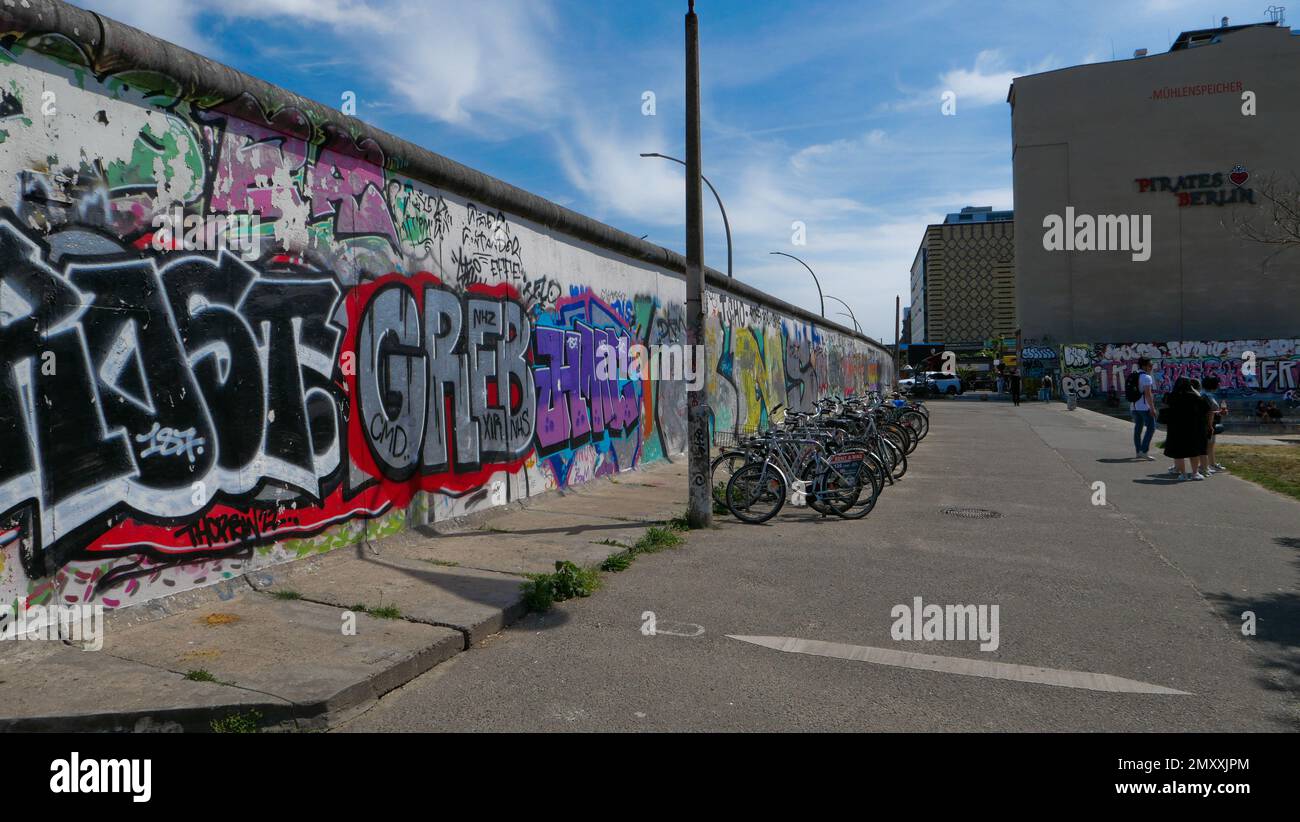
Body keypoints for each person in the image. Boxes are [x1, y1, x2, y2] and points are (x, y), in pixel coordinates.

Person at [1162, 377, 1213, 481]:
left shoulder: (1171, 396)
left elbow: (1165, 410)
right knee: (1194, 451)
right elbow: (1207, 409)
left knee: (1179, 452)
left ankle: (1183, 474)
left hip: (1176, 428)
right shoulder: (1196, 397)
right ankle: (1195, 473)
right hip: (1193, 428)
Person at [1130, 357, 1157, 460]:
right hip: (1144, 407)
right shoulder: (1146, 377)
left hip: (1134, 406)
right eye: (1150, 365)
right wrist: (1152, 408)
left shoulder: (1134, 375)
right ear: (1144, 366)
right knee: (1151, 428)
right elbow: (1148, 394)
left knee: (1138, 429)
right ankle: (1144, 451)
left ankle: (1138, 452)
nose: (1151, 368)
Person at [1202, 376, 1226, 474]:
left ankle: (1212, 464)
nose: (1219, 385)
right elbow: (1209, 411)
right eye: (1218, 383)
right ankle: (1205, 466)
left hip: (1211, 423)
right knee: (1208, 445)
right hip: (1208, 424)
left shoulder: (1207, 394)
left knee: (1211, 445)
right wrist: (1219, 412)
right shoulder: (1206, 396)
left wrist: (1219, 412)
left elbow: (1211, 410)